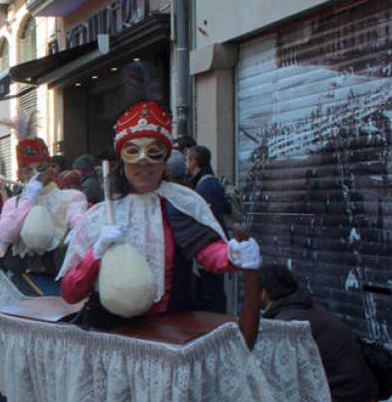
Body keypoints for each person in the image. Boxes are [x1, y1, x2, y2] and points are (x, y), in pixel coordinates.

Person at [57, 64, 261, 327]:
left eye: (154, 154)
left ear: (165, 161)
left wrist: (233, 255)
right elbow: (70, 292)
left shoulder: (182, 202)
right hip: (111, 332)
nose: (144, 163)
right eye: (134, 153)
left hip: (170, 330)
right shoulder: (99, 215)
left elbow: (206, 250)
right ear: (122, 160)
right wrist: (96, 252)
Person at [258, 265, 385, 402]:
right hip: (352, 393)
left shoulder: (288, 323)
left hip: (347, 399)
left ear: (265, 291)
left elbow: (281, 379)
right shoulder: (301, 308)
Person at [0, 111, 88, 290]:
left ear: (49, 168)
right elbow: (4, 234)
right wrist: (27, 200)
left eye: (40, 168)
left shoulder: (72, 198)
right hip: (21, 280)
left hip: (56, 280)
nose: (36, 175)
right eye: (28, 170)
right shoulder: (13, 203)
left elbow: (80, 221)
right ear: (20, 174)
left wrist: (82, 228)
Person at [186, 144, 231, 312]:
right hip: (211, 247)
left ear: (194, 162)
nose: (186, 164)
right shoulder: (208, 183)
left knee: (211, 293)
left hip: (211, 247)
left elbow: (209, 219)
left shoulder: (206, 186)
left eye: (187, 159)